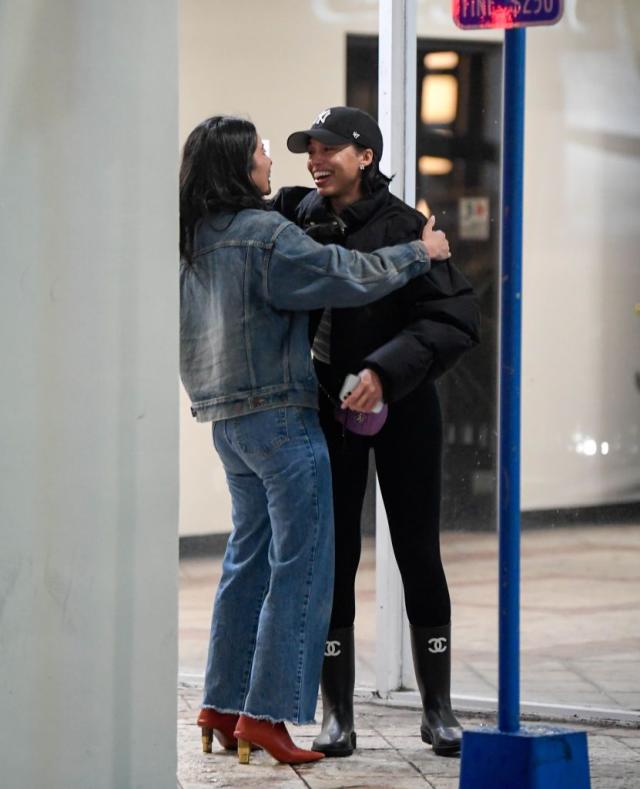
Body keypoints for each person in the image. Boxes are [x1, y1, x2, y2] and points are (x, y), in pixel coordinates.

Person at [179, 115, 452, 765]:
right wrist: (423, 250)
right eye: (263, 153)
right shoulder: (265, 234)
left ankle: (221, 702)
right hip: (280, 416)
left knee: (246, 563)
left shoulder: (197, 235)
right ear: (240, 168)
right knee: (303, 568)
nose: (278, 161)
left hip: (227, 421)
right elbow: (343, 274)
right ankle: (267, 715)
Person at [272, 106, 480, 757]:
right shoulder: (295, 216)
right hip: (325, 411)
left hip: (405, 406)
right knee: (332, 555)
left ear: (365, 155)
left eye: (329, 148)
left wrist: (384, 373)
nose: (315, 159)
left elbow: (452, 319)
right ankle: (338, 712)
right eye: (310, 149)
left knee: (418, 549)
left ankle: (438, 708)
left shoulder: (408, 229)